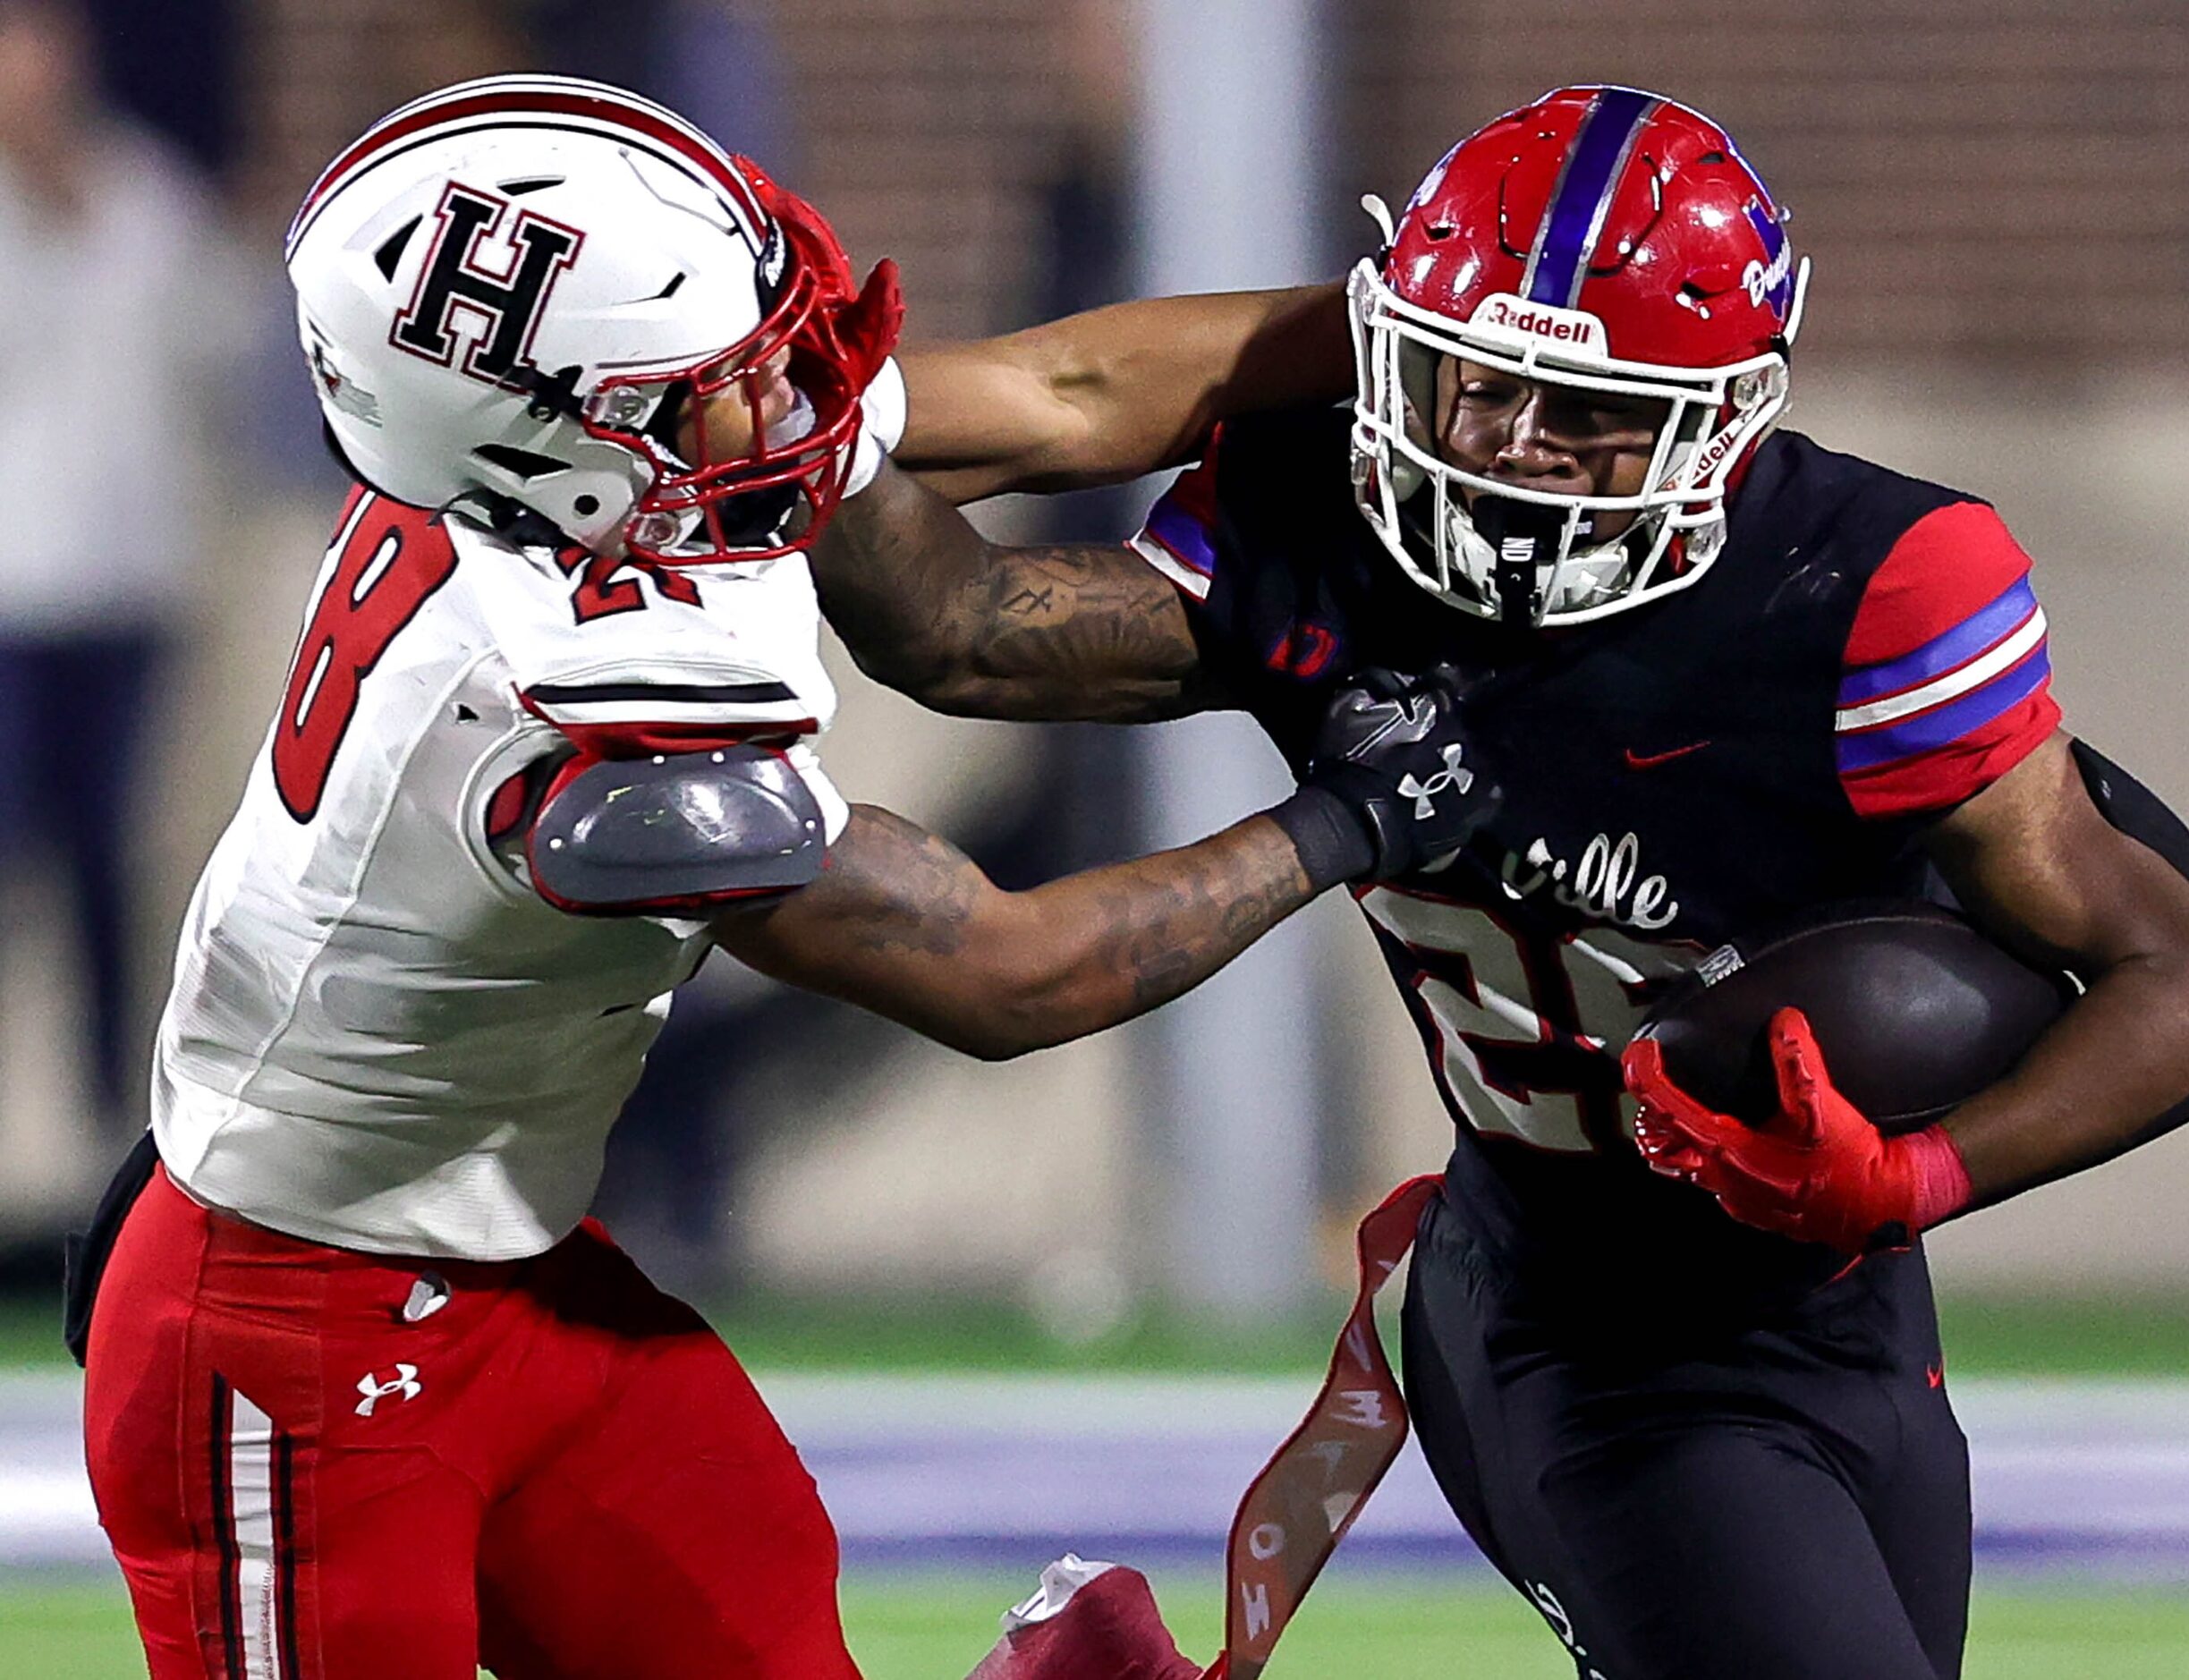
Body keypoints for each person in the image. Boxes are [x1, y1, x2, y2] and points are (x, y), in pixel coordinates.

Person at [811, 85, 2189, 1680]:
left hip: (1843, 1313)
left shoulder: (1866, 592)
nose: (1510, 451)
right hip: (1572, 1309)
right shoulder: (1335, 523)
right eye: (1474, 389)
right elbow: (962, 621)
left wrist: (1918, 1178)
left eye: (1584, 413)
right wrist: (784, 422)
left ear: (1725, 419)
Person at [71, 74, 1499, 1680]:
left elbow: (1068, 390)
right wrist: (1346, 817)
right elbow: (1002, 972)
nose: (781, 386)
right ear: (565, 447)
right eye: (714, 379)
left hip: (513, 1281)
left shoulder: (567, 477)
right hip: (286, 1333)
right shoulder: (561, 708)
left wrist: (1432, 327)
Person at [0, 0, 250, 1137]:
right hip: (14, 589)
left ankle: (109, 1111)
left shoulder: (144, 189)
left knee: (110, 868)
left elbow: (224, 344)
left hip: (126, 583)